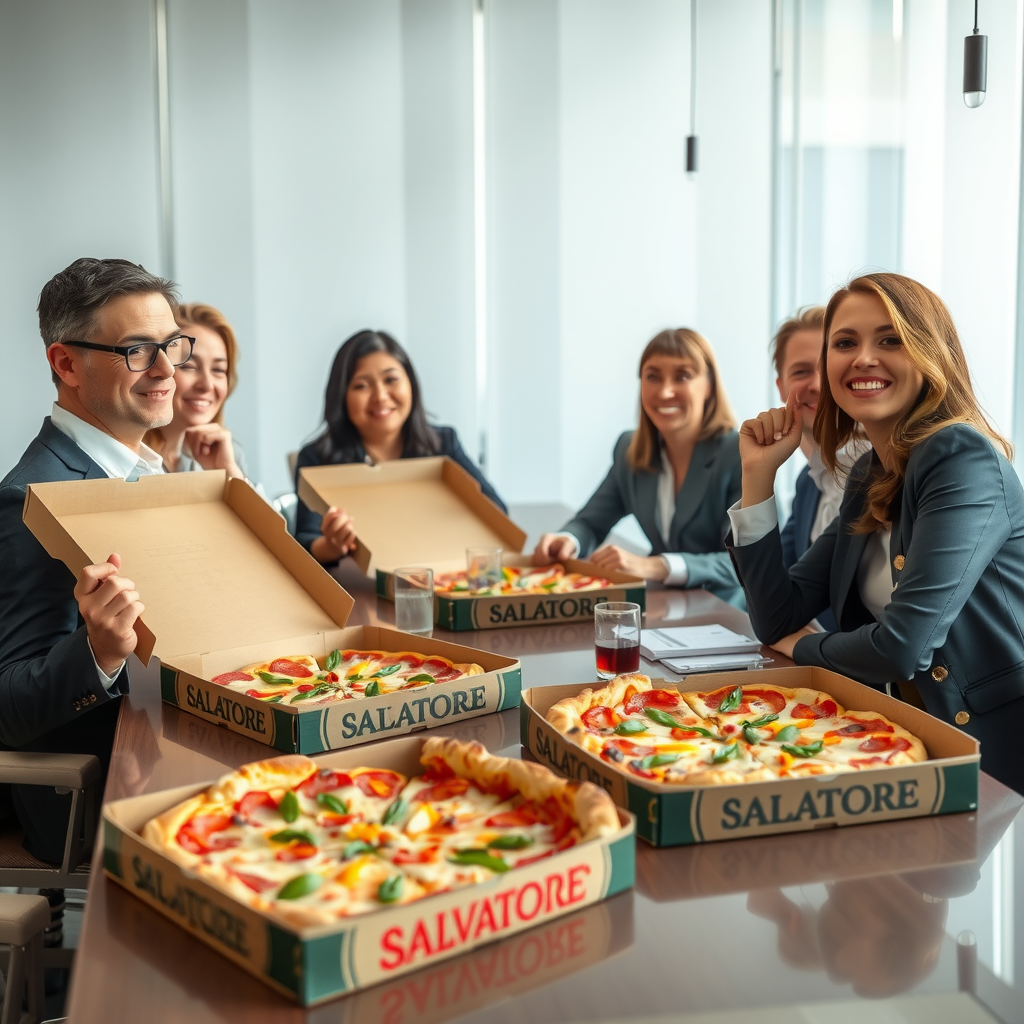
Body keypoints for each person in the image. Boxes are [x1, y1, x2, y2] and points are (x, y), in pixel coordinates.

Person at [729, 272, 1024, 793]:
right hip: (895, 739)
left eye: (890, 340)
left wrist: (803, 649)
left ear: (930, 356)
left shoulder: (961, 458)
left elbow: (901, 648)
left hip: (989, 758)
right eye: (845, 343)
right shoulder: (871, 470)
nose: (863, 357)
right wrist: (757, 479)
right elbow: (777, 616)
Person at [0, 257, 182, 861]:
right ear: (66, 363)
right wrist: (99, 653)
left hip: (177, 732)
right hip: (104, 786)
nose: (165, 370)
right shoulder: (32, 497)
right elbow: (9, 704)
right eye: (137, 350)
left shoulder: (144, 470)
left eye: (170, 345)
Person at [533, 327, 744, 607]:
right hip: (663, 610)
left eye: (682, 376)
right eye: (653, 376)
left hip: (727, 614)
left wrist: (657, 566)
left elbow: (745, 564)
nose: (665, 391)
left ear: (709, 385)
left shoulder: (737, 453)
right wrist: (568, 540)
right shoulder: (630, 451)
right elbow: (590, 523)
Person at [295, 329, 506, 565]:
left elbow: (497, 514)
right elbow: (304, 543)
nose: (381, 396)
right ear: (341, 396)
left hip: (442, 580)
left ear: (411, 382)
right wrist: (332, 546)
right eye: (361, 386)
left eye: (391, 380)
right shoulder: (317, 458)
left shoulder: (443, 444)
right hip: (358, 591)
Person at [772, 306, 844, 631]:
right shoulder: (808, 482)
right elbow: (772, 591)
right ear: (781, 387)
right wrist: (757, 475)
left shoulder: (885, 473)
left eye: (827, 367)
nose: (817, 383)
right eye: (801, 371)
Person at [142, 302, 247, 480]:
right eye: (189, 366)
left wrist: (229, 474)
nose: (207, 385)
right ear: (160, 370)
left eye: (218, 370)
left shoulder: (227, 452)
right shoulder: (132, 463)